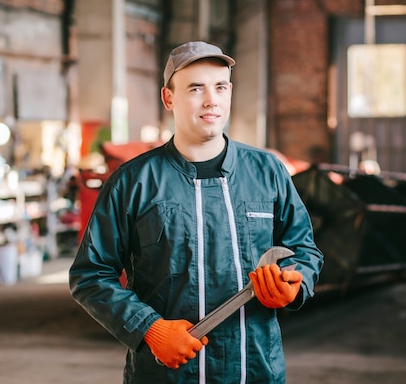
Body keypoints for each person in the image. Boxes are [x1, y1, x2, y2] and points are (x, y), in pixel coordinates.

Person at [69, 41, 324, 384]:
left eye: (220, 87)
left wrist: (295, 283)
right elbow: (91, 274)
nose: (211, 100)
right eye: (195, 88)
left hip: (255, 372)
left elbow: (304, 251)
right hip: (166, 376)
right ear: (168, 97)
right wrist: (150, 329)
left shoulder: (267, 172)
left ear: (229, 92)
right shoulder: (133, 182)